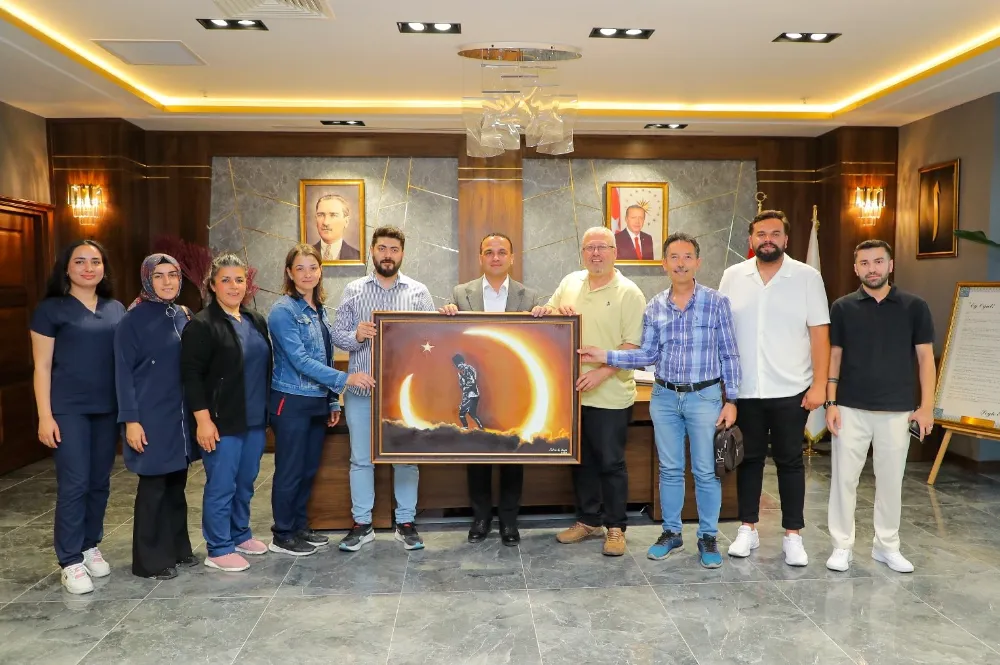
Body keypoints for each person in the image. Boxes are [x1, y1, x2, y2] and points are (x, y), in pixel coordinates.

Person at [579, 233, 741, 568]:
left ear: (698, 262)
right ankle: (671, 532)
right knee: (669, 470)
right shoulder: (654, 305)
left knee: (705, 471)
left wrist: (732, 399)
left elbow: (730, 354)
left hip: (704, 397)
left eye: (687, 256)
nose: (680, 263)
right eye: (674, 257)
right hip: (665, 397)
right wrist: (605, 355)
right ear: (664, 263)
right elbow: (648, 354)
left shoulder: (716, 303)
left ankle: (708, 536)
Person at [718, 210, 830, 567]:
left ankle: (793, 535)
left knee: (790, 461)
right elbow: (722, 333)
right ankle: (747, 528)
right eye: (761, 234)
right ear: (751, 240)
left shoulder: (807, 277)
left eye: (775, 233)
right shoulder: (733, 276)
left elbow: (820, 334)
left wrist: (820, 385)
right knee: (748, 460)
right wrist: (725, 389)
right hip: (746, 389)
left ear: (786, 239)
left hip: (791, 388)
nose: (768, 239)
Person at [531, 226, 646, 557]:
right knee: (581, 462)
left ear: (615, 252)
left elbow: (633, 347)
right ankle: (588, 520)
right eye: (589, 248)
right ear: (582, 253)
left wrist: (601, 373)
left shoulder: (629, 293)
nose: (595, 253)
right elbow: (550, 316)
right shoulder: (570, 282)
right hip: (570, 395)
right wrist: (547, 311)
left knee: (611, 463)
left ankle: (615, 527)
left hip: (610, 395)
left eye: (602, 247)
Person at [825, 240, 936, 574]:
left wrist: (927, 407)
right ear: (855, 268)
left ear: (890, 265)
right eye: (864, 263)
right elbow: (834, 357)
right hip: (850, 408)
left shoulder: (915, 306)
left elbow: (926, 359)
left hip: (898, 410)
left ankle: (887, 546)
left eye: (878, 261)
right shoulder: (842, 307)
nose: (871, 268)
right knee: (844, 481)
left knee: (890, 482)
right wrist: (831, 402)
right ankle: (841, 546)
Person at [29, 240, 126, 594]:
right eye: (80, 261)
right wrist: (45, 416)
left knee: (100, 481)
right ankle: (69, 559)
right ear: (66, 268)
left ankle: (88, 544)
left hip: (108, 409)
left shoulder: (116, 309)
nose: (88, 268)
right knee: (75, 482)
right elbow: (41, 367)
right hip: (68, 409)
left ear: (104, 268)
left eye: (95, 261)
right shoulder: (50, 310)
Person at [266, 244, 375, 557]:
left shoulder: (319, 309)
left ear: (320, 271)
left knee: (307, 469)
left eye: (312, 267)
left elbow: (325, 355)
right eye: (299, 268)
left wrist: (331, 401)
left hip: (316, 401)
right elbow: (300, 360)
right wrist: (345, 380)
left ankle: (299, 526)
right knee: (289, 470)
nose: (307, 274)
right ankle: (282, 534)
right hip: (291, 401)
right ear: (289, 273)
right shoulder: (283, 311)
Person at [332, 226, 435, 552]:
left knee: (406, 458)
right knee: (361, 459)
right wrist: (357, 335)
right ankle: (362, 524)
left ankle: (406, 523)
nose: (387, 255)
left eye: (394, 249)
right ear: (372, 251)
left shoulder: (418, 292)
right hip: (362, 392)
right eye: (382, 248)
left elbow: (434, 338)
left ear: (402, 253)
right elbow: (337, 335)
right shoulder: (353, 290)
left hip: (404, 396)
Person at [439, 232, 542, 546]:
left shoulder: (529, 297)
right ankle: (481, 518)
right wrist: (447, 315)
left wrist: (545, 316)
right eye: (489, 252)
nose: (495, 257)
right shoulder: (461, 293)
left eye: (501, 252)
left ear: (512, 258)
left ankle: (509, 520)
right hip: (478, 385)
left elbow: (537, 341)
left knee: (513, 451)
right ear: (480, 258)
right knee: (478, 450)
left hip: (512, 388)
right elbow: (453, 338)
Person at [180, 253, 272, 572]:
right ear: (212, 285)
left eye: (239, 280)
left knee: (245, 483)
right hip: (221, 422)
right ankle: (218, 548)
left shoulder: (255, 320)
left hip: (254, 419)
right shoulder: (202, 325)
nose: (234, 286)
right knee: (222, 485)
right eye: (226, 280)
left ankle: (240, 534)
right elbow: (191, 376)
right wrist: (203, 421)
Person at [114, 253, 199, 580]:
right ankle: (149, 561)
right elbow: (122, 374)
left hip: (179, 417)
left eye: (172, 275)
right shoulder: (132, 320)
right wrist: (131, 421)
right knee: (154, 487)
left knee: (176, 484)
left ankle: (177, 548)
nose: (167, 282)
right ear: (147, 279)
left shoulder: (183, 315)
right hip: (149, 416)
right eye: (159, 276)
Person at [313, 194, 361, 261]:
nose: (325, 222)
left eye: (333, 215)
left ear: (346, 221)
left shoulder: (358, 257)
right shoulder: (305, 254)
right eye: (320, 215)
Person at [452, 354, 484, 429]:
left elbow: (471, 382)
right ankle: (481, 427)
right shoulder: (467, 369)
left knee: (461, 413)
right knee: (472, 414)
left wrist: (464, 385)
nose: (458, 367)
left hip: (470, 395)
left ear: (462, 362)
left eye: (458, 365)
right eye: (457, 366)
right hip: (474, 395)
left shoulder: (467, 369)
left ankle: (465, 427)